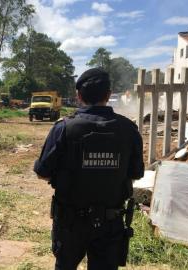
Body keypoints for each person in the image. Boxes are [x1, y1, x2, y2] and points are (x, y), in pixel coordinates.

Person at [34, 68, 144, 270]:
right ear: (109, 95)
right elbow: (136, 173)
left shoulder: (64, 128)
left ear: (78, 96)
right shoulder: (128, 129)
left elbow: (42, 172)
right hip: (110, 224)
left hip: (70, 222)